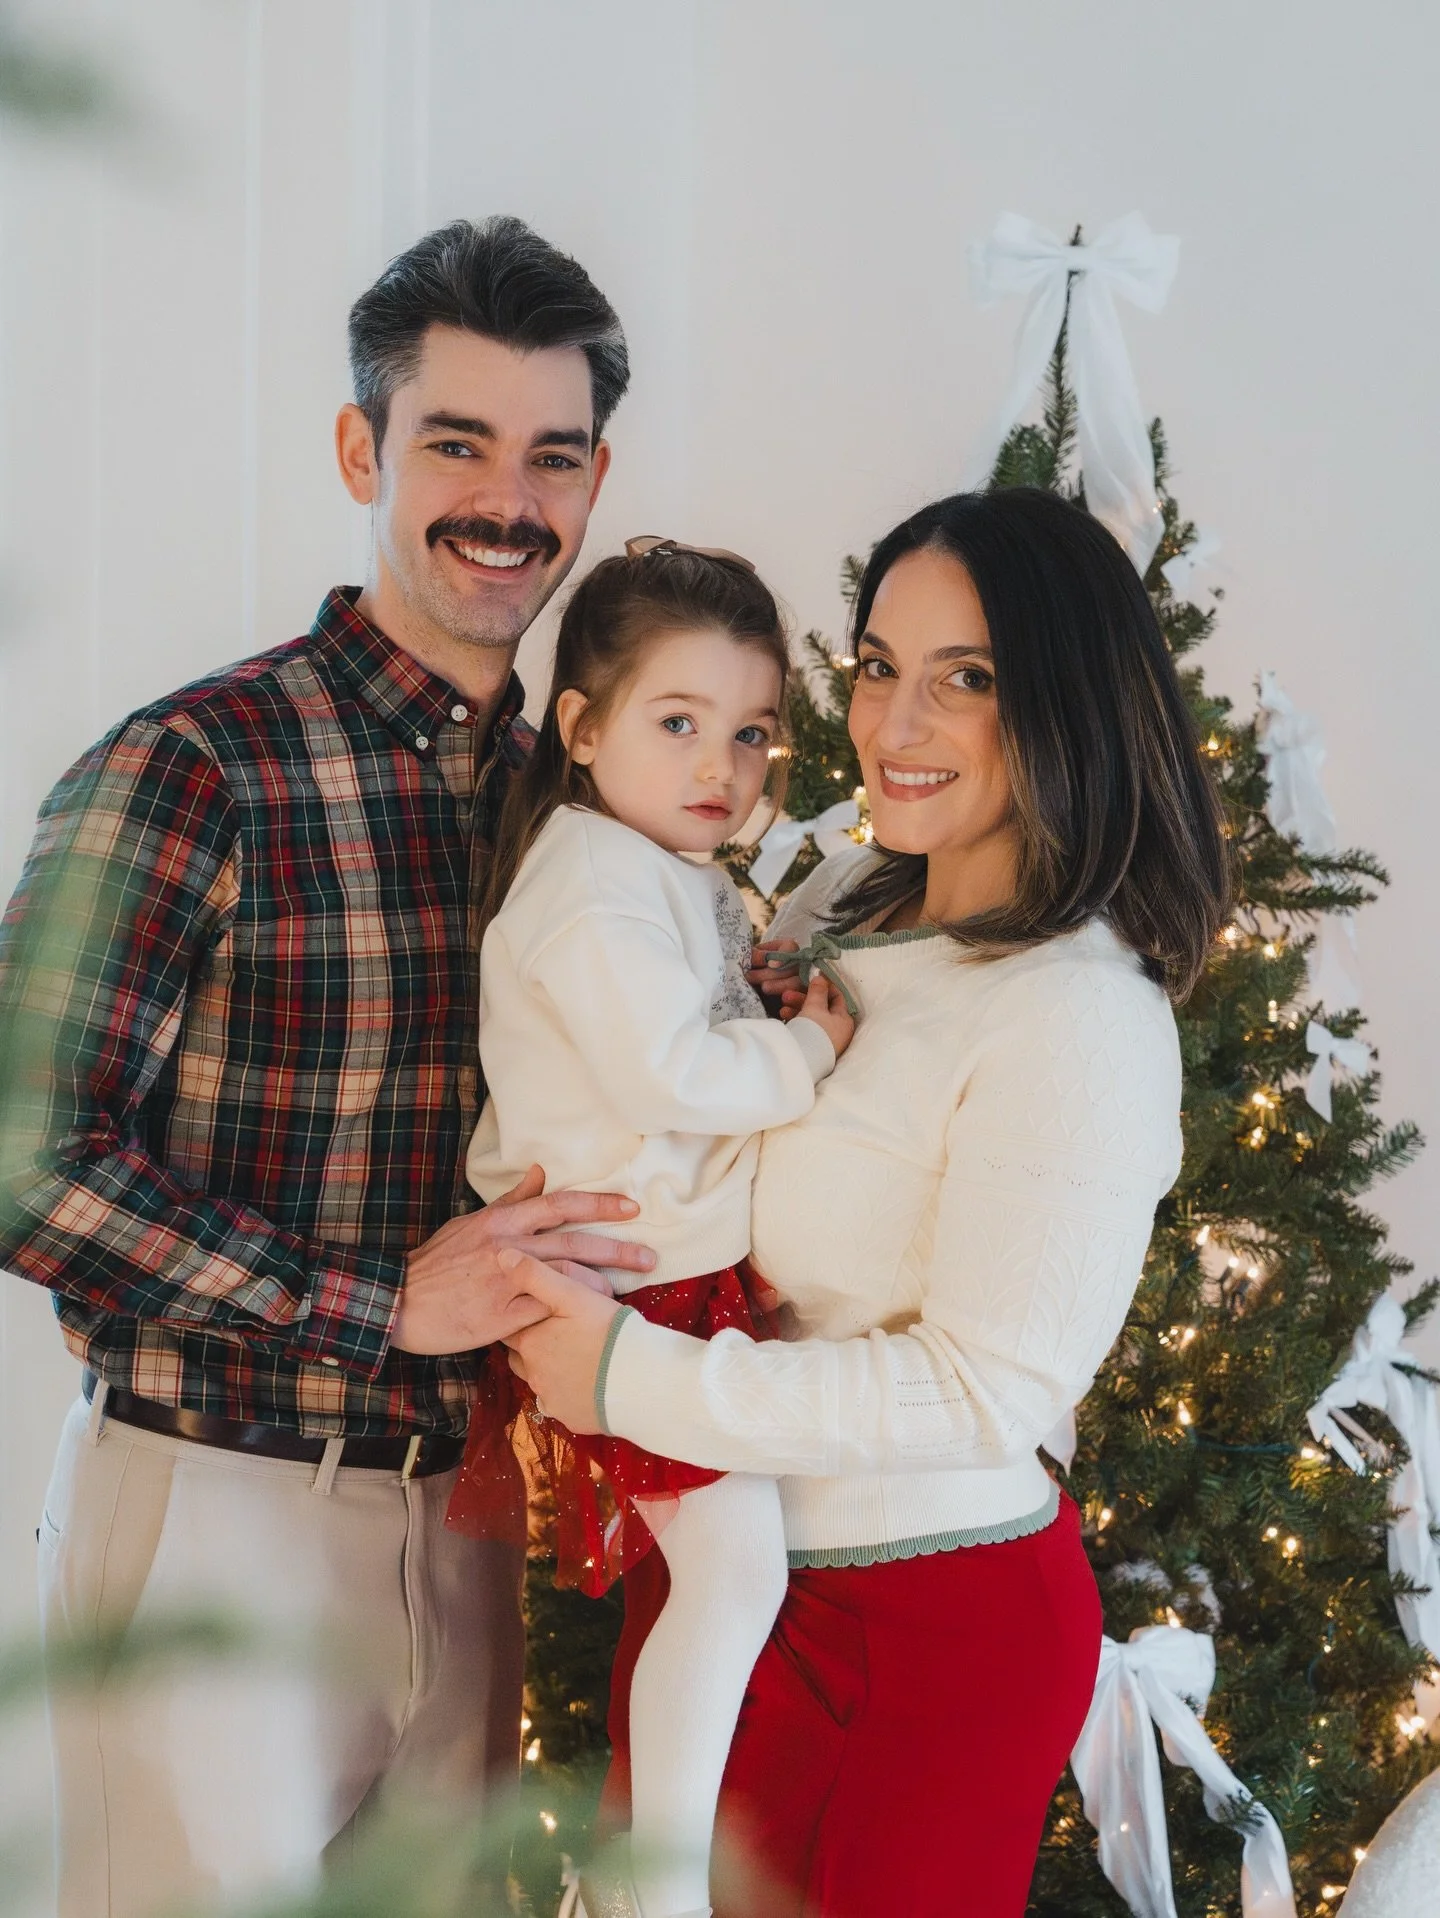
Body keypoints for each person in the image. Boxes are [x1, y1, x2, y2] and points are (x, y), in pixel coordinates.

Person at [0, 216, 655, 1917]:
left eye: (552, 455)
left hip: (466, 1521)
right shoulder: (191, 768)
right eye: (457, 442)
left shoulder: (577, 814)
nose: (507, 499)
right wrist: (375, 1303)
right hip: (218, 1505)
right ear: (363, 448)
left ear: (593, 484)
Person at [498, 487, 1232, 1917]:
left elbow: (982, 1387)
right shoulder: (847, 908)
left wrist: (631, 1374)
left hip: (917, 1623)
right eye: (881, 664)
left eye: (967, 679)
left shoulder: (1079, 1017)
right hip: (737, 1557)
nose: (894, 724)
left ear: (1068, 703)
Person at [448, 536, 855, 1918]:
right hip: (625, 1295)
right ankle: (661, 1882)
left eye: (751, 733)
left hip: (651, 1283)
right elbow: (670, 1071)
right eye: (678, 723)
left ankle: (657, 1872)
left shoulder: (650, 862)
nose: (721, 768)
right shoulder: (593, 880)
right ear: (582, 727)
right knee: (736, 1573)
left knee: (728, 1573)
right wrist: (805, 1054)